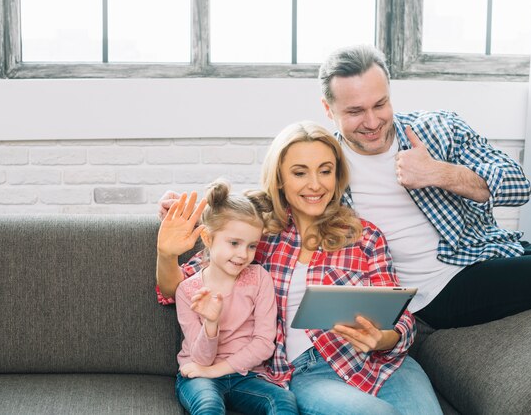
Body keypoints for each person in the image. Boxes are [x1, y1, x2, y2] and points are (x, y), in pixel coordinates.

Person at [157, 122, 443, 414]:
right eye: (300, 172)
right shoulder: (260, 236)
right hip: (309, 373)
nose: (316, 184)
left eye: (325, 170)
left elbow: (401, 317)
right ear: (280, 178)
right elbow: (179, 287)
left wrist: (383, 338)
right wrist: (167, 252)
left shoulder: (365, 236)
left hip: (385, 364)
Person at [316, 44, 531, 328]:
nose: (373, 122)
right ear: (328, 109)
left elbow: (518, 186)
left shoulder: (437, 128)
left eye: (380, 104)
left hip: (490, 250)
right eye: (355, 112)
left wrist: (438, 173)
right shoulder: (322, 167)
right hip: (439, 289)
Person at [160, 178, 299, 414]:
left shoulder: (259, 279)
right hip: (198, 376)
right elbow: (201, 361)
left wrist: (217, 370)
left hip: (247, 376)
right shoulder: (188, 290)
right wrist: (211, 323)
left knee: (283, 402)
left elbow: (264, 344)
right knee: (209, 406)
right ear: (208, 239)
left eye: (252, 246)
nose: (243, 255)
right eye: (234, 243)